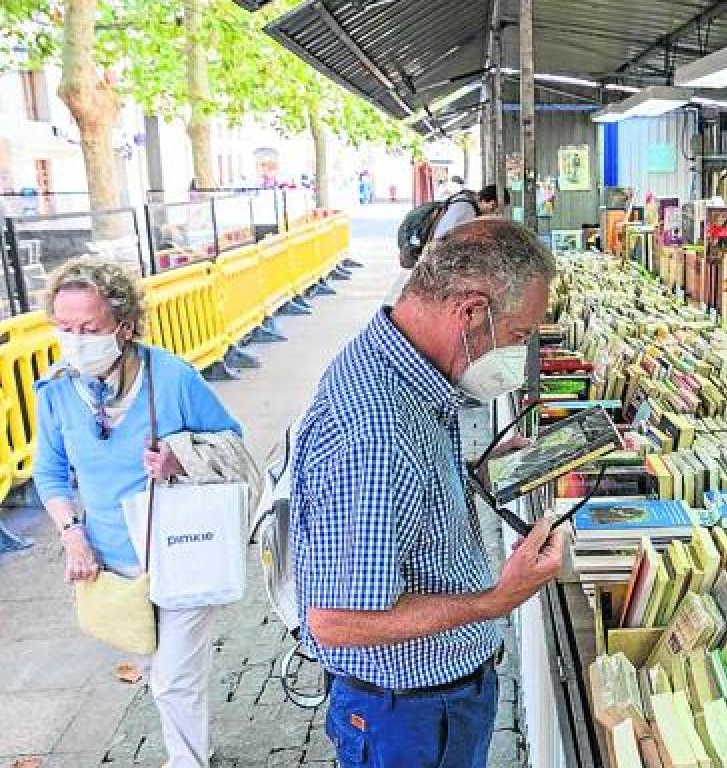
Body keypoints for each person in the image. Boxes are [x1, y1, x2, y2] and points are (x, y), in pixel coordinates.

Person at [291, 218, 564, 768]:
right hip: (410, 720)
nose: (522, 352)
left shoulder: (405, 369)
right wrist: (498, 600)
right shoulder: (376, 430)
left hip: (429, 708)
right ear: (470, 311)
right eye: (518, 335)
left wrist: (475, 476)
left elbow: (402, 504)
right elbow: (336, 620)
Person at [32, 259, 242, 768]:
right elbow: (51, 472)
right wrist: (73, 535)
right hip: (112, 554)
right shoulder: (57, 390)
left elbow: (234, 445)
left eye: (90, 328)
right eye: (65, 328)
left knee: (173, 677)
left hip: (183, 547)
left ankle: (187, 761)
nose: (76, 339)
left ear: (123, 326)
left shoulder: (171, 377)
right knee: (157, 669)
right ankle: (195, 743)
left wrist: (180, 458)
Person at [431, 184, 510, 242]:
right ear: (490, 202)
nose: (493, 214)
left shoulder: (468, 201)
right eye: (494, 208)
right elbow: (447, 237)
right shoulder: (466, 209)